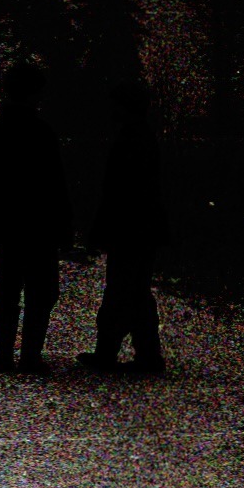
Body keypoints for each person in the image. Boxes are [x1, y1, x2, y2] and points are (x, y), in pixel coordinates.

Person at [0, 63, 73, 373]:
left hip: (7, 225)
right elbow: (56, 185)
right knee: (41, 291)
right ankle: (30, 355)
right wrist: (64, 229)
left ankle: (4, 354)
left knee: (7, 289)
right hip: (39, 226)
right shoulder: (42, 132)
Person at [78, 83, 171, 374]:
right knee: (133, 291)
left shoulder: (131, 140)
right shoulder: (140, 137)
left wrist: (101, 230)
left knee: (123, 290)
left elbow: (118, 193)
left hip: (131, 229)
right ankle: (142, 354)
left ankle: (117, 353)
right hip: (140, 228)